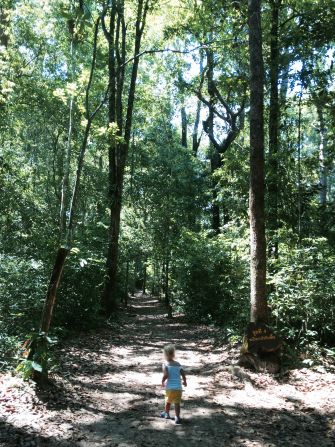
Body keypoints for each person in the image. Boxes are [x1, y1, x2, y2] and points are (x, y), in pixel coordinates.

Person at [160, 344, 187, 424]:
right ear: (174, 354)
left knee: (167, 401)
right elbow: (183, 373)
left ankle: (167, 414)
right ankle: (177, 417)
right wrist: (184, 381)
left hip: (170, 388)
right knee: (177, 403)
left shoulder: (165, 364)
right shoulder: (178, 364)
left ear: (165, 354)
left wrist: (162, 381)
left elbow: (166, 375)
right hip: (178, 388)